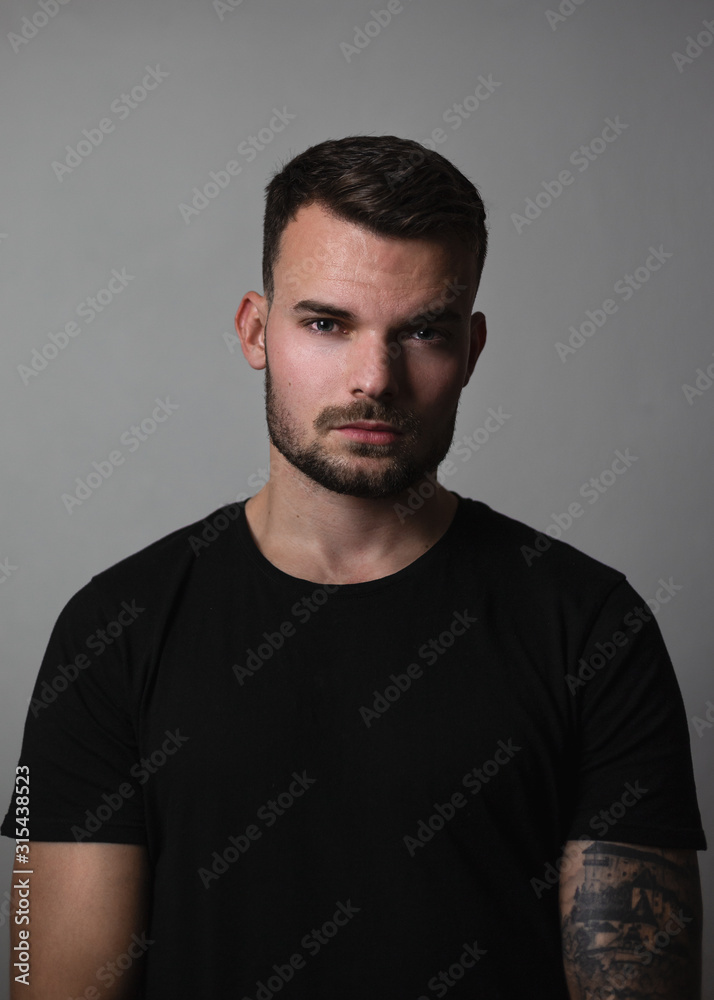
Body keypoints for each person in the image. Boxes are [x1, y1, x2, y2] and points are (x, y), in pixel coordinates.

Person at [2, 135, 706, 999]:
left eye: (422, 331)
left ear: (472, 352)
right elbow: (47, 980)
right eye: (327, 323)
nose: (374, 377)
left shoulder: (594, 627)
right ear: (256, 331)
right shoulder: (111, 631)